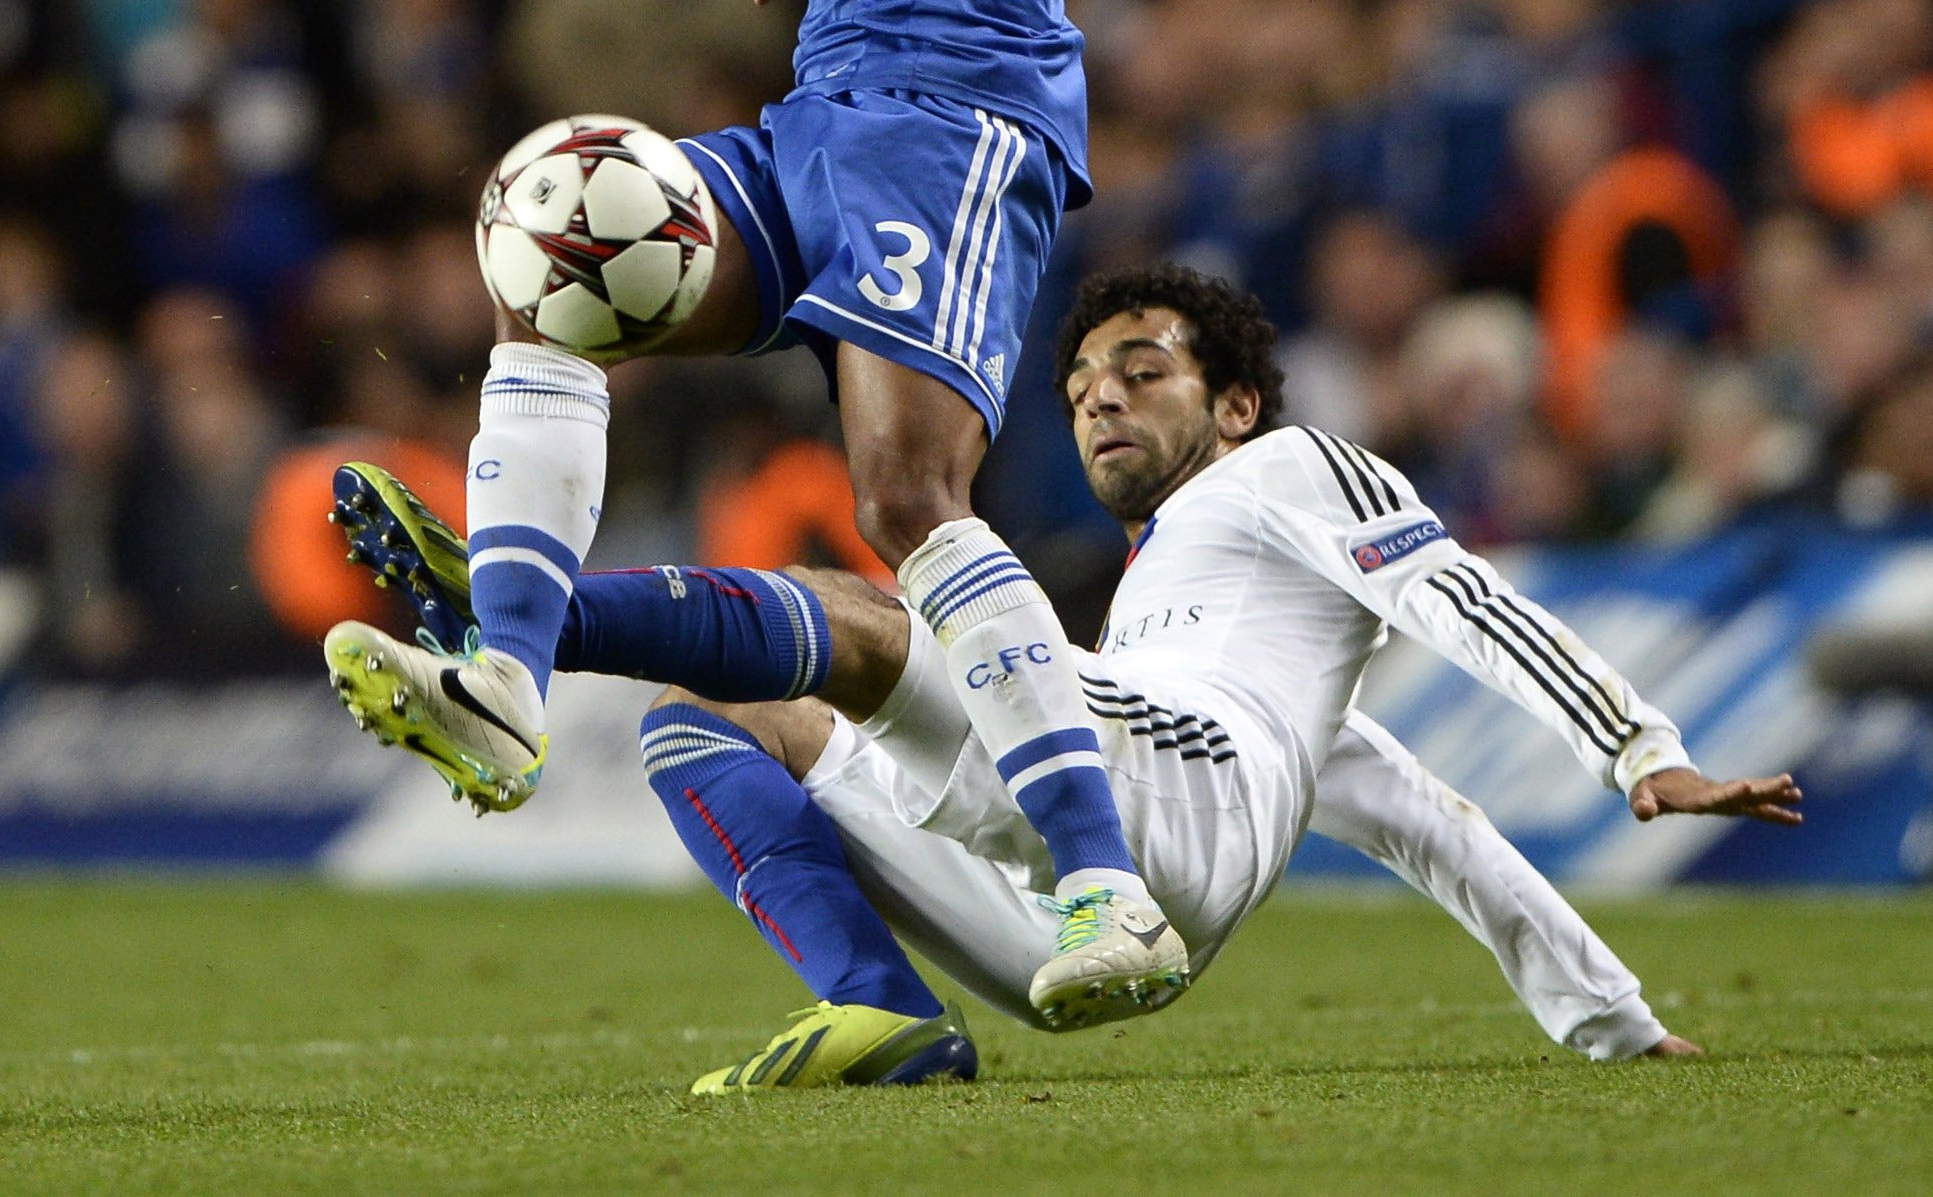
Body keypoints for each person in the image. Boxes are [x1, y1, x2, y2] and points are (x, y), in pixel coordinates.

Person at [319, 0, 1178, 1031]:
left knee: (909, 503)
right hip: (822, 116)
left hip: (952, 118)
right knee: (550, 235)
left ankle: (1107, 888)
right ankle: (503, 678)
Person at [323, 263, 1798, 1090]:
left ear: (1231, 401)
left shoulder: (1295, 464)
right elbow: (1432, 824)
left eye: (1141, 373)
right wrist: (1613, 1022)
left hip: (1169, 799)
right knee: (712, 720)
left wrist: (1635, 746)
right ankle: (885, 1015)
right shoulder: (1202, 616)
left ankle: (520, 619)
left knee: (879, 616)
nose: (1100, 397)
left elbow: (1455, 592)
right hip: (1081, 894)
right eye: (1083, 386)